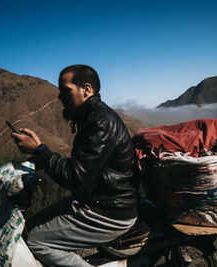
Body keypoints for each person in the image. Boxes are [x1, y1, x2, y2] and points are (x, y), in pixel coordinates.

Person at [11, 64, 139, 266]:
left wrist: (40, 151)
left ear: (87, 89)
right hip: (100, 200)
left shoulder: (99, 123)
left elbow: (77, 178)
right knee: (32, 226)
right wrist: (38, 156)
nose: (60, 97)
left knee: (36, 242)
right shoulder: (91, 116)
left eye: (65, 90)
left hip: (110, 211)